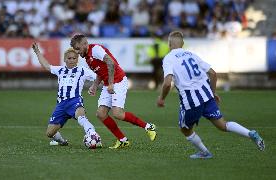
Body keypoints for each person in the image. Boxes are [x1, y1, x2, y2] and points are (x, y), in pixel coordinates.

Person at [157, 31, 265, 159]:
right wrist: (212, 93)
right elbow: (213, 74)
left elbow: (167, 83)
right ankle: (250, 133)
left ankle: (204, 152)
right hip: (207, 95)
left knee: (185, 129)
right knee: (222, 125)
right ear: (183, 44)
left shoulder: (168, 58)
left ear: (169, 44)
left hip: (191, 101)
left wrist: (162, 98)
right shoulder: (192, 54)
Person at [70, 34, 157, 149]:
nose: (77, 52)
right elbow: (100, 71)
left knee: (118, 114)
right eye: (75, 49)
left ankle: (149, 127)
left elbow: (110, 62)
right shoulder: (87, 58)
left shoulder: (95, 49)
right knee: (101, 114)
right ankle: (122, 140)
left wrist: (111, 83)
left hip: (118, 81)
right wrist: (95, 85)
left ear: (85, 44)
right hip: (109, 83)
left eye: (78, 48)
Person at [32, 42, 101, 147]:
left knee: (80, 115)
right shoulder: (60, 70)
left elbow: (98, 77)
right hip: (61, 104)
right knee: (50, 133)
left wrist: (107, 84)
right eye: (69, 58)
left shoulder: (82, 70)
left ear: (77, 59)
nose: (72, 60)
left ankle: (92, 134)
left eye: (74, 58)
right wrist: (37, 52)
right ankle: (62, 141)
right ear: (65, 59)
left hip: (74, 100)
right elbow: (46, 66)